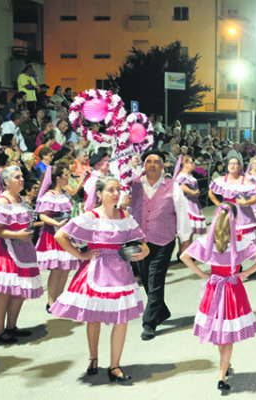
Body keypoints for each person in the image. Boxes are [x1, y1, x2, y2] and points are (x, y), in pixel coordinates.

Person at [51, 176, 150, 382]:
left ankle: (115, 365)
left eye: (117, 189)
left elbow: (141, 242)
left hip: (121, 270)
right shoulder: (91, 216)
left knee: (121, 319)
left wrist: (143, 250)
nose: (115, 193)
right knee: (94, 316)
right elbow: (61, 235)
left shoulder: (125, 216)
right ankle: (93, 357)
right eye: (110, 190)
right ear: (99, 194)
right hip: (97, 269)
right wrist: (81, 255)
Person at [181, 203, 256, 392]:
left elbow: (184, 256)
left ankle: (224, 367)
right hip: (233, 290)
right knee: (227, 334)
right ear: (234, 220)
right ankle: (221, 374)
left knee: (218, 330)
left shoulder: (208, 240)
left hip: (214, 289)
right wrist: (246, 274)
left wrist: (202, 274)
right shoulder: (239, 239)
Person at [0, 166, 42, 344]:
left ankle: (11, 326)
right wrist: (18, 235)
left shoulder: (19, 199)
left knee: (20, 291)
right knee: (5, 291)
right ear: (6, 182)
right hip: (7, 251)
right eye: (17, 177)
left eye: (21, 176)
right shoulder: (2, 201)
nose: (21, 179)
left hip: (23, 248)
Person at [128, 149, 190, 341]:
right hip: (138, 240)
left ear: (164, 165)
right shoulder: (133, 185)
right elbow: (126, 212)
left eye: (157, 161)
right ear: (143, 165)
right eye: (148, 161)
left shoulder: (173, 186)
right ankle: (160, 311)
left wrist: (184, 243)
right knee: (145, 279)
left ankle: (149, 323)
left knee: (155, 279)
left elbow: (182, 214)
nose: (152, 164)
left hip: (164, 239)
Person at [35, 162, 79, 312]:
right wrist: (56, 223)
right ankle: (51, 301)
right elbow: (42, 215)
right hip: (53, 234)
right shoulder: (49, 195)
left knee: (65, 269)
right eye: (66, 175)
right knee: (56, 269)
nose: (69, 177)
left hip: (66, 233)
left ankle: (60, 298)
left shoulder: (65, 194)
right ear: (58, 178)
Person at [208, 156, 256, 245]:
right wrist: (219, 204)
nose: (232, 166)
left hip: (243, 214)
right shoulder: (221, 180)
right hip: (227, 212)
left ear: (240, 167)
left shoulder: (245, 181)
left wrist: (246, 202)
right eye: (230, 163)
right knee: (226, 241)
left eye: (235, 164)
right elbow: (211, 193)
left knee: (243, 244)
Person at [175, 155, 207, 255]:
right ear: (185, 164)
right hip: (186, 204)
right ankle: (184, 252)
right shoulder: (182, 176)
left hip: (193, 203)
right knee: (186, 231)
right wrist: (192, 192)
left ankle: (187, 251)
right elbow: (182, 186)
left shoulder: (189, 175)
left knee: (190, 232)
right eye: (191, 162)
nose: (193, 164)